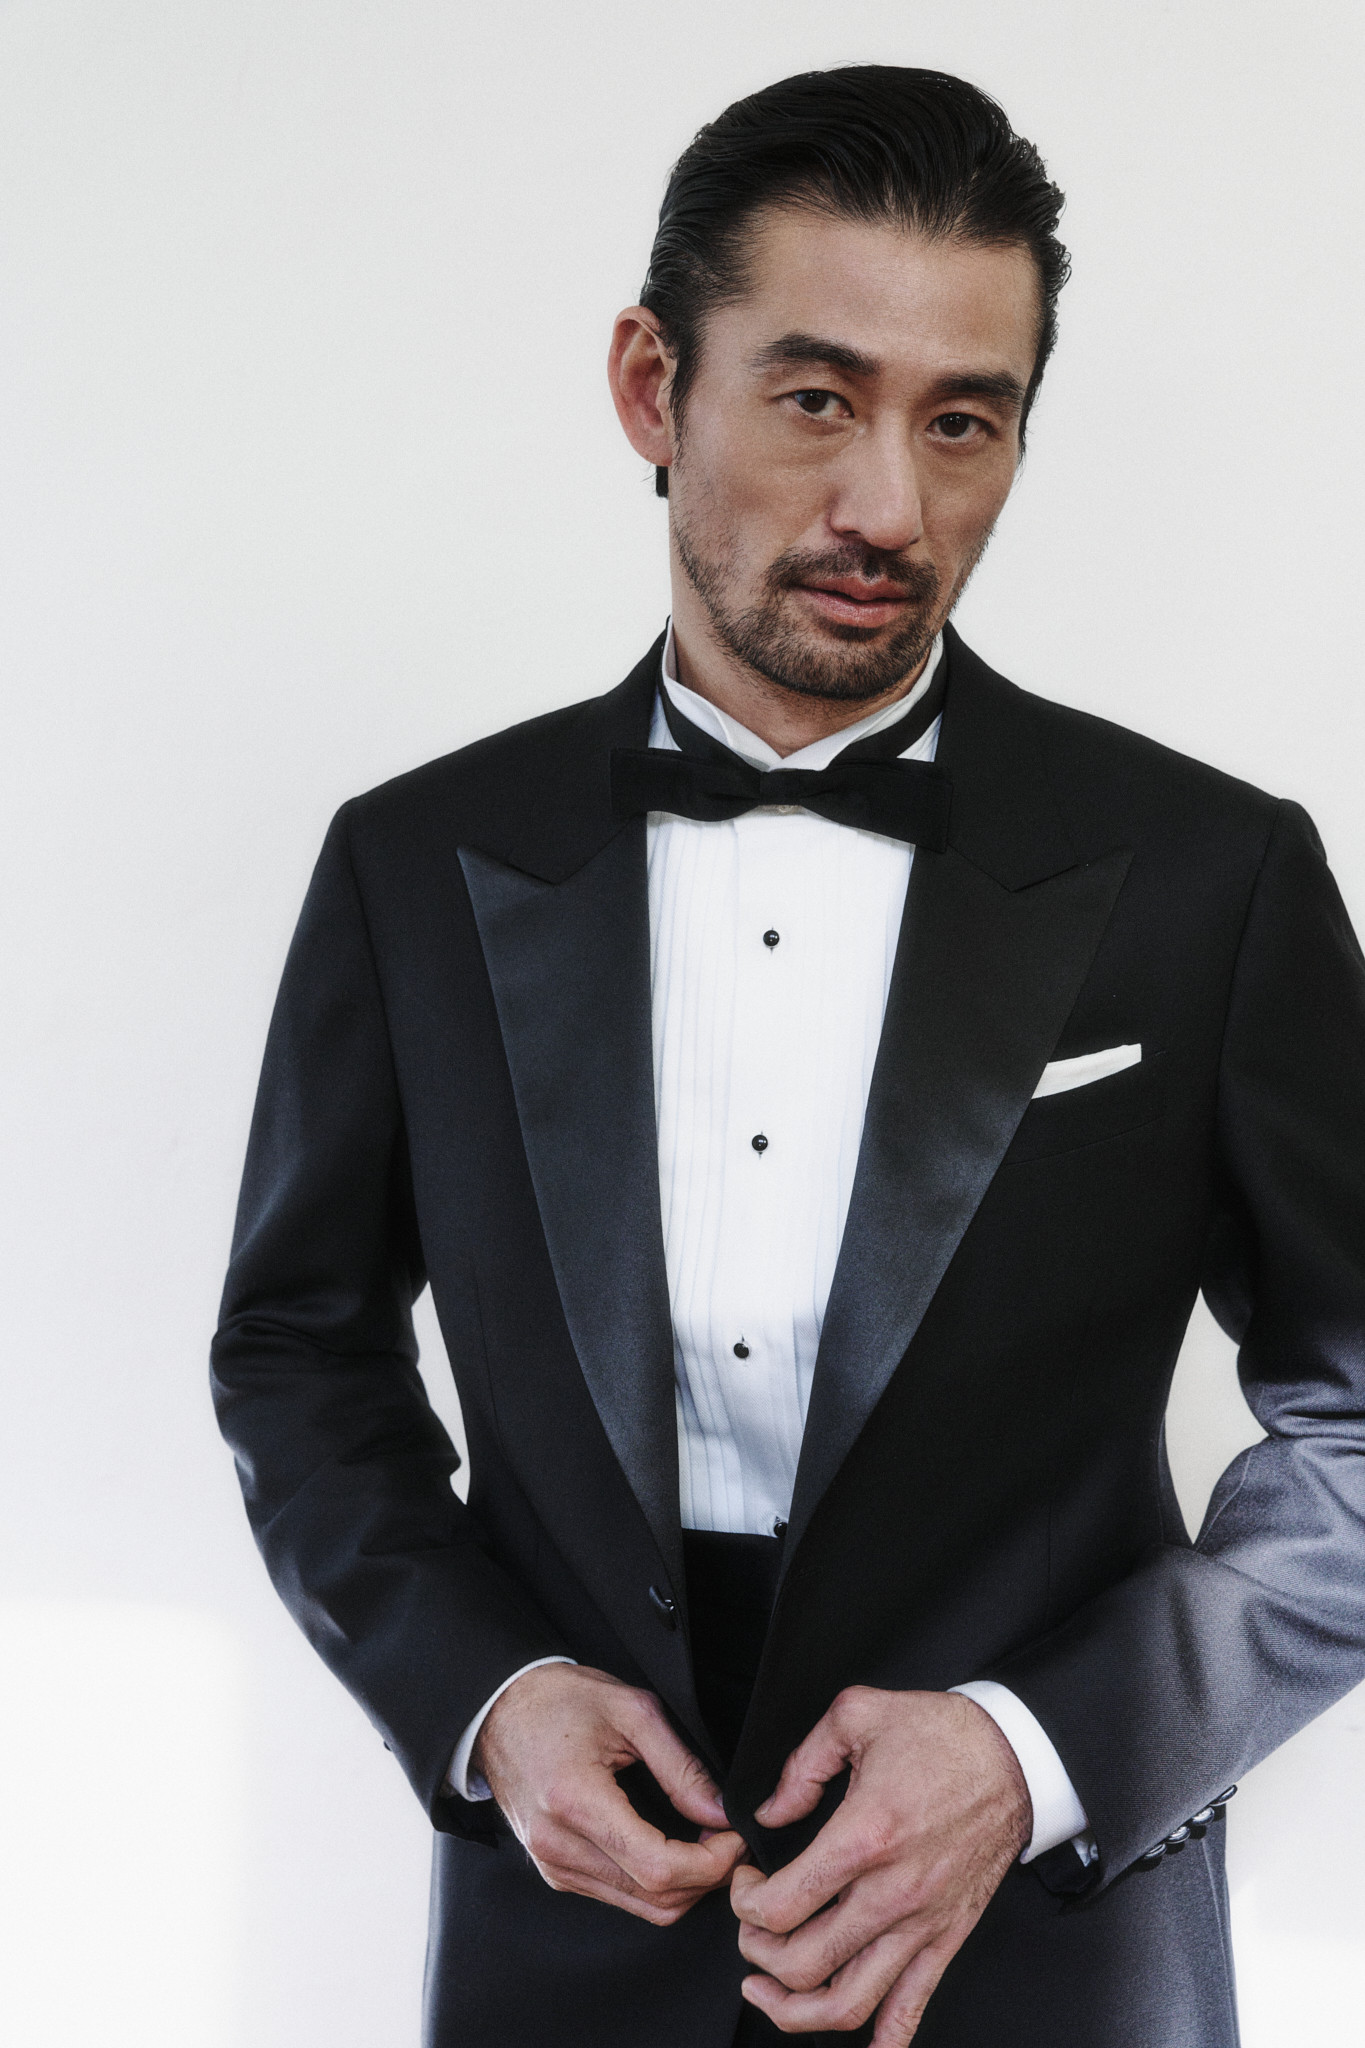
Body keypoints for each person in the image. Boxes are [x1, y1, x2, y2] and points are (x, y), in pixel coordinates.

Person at [211, 65, 1365, 2048]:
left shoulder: (1213, 877)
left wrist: (1036, 1748)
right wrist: (484, 1697)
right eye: (817, 398)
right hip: (567, 1953)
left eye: (962, 421)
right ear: (652, 388)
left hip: (1046, 1956)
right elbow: (298, 1353)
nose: (888, 510)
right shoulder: (413, 864)